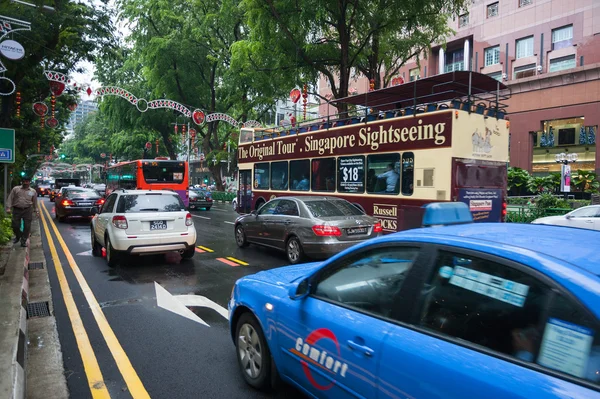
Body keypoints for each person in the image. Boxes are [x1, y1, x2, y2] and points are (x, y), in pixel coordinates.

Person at [6, 176, 39, 247]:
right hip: (17, 209)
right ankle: (18, 236)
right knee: (15, 225)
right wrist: (8, 207)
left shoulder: (33, 191)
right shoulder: (16, 189)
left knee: (27, 226)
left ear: (29, 182)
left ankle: (23, 241)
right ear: (22, 182)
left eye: (27, 181)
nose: (25, 183)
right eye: (24, 181)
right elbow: (10, 198)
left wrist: (36, 210)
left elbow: (35, 202)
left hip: (27, 210)